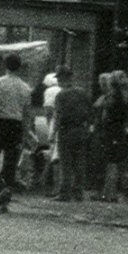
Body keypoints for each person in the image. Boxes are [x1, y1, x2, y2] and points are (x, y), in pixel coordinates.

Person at [0, 53, 33, 214]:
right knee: (10, 163)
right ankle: (5, 203)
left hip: (0, 123)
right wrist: (25, 133)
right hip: (16, 126)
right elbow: (27, 113)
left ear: (5, 65)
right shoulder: (25, 87)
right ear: (20, 66)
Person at [51, 69, 95, 202]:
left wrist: (53, 132)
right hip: (81, 130)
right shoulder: (83, 93)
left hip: (66, 130)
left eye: (59, 78)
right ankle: (78, 192)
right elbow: (90, 112)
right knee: (80, 162)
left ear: (64, 79)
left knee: (66, 163)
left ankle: (64, 193)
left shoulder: (61, 95)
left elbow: (58, 115)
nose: (58, 81)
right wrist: (87, 127)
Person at [95, 71, 128, 202]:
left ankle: (109, 194)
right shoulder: (122, 96)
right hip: (117, 132)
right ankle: (109, 193)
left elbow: (107, 116)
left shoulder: (113, 97)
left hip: (112, 133)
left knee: (111, 163)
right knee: (113, 163)